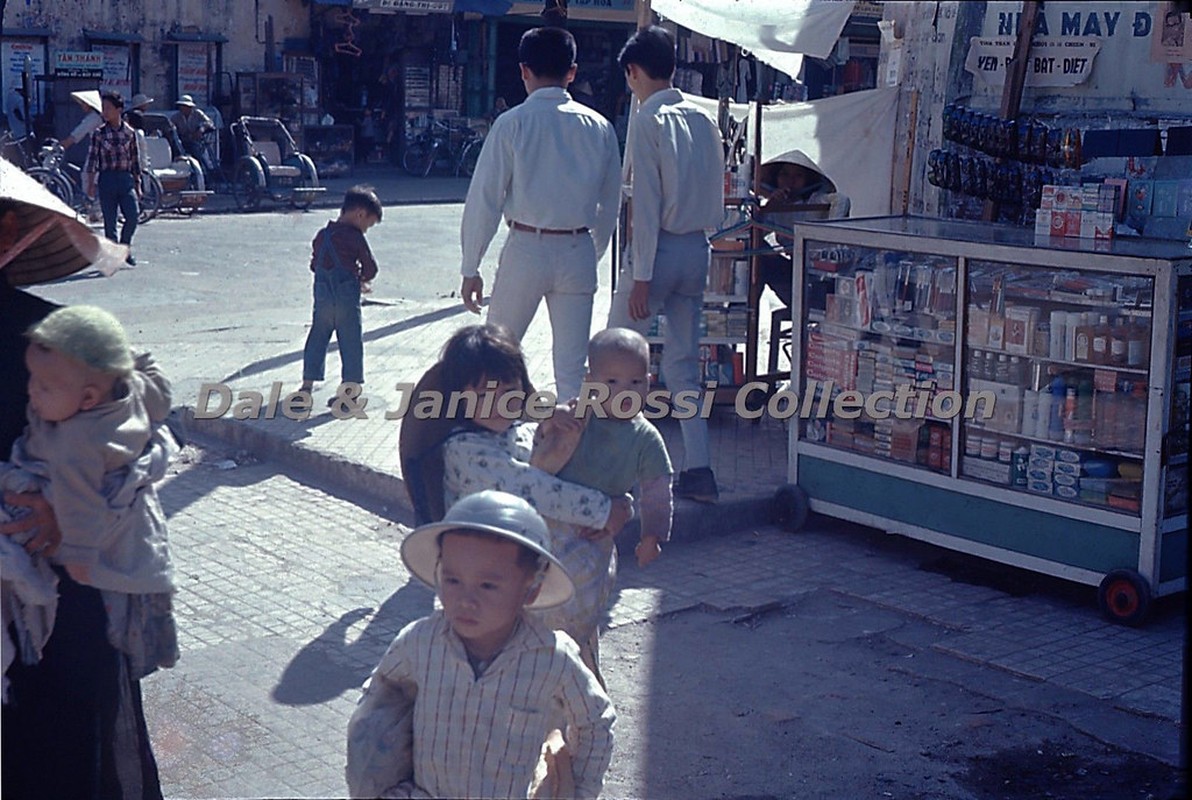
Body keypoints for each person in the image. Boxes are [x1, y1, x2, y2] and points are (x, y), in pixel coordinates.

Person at [0, 300, 172, 800]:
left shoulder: (54, 334)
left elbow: (155, 423)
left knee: (69, 747)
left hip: (66, 603)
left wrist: (68, 505)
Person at [346, 490, 615, 799]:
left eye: (487, 585)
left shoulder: (552, 658)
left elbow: (596, 722)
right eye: (452, 580)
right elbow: (378, 697)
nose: (466, 600)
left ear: (530, 590)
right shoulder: (419, 642)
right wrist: (378, 778)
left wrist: (577, 791)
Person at [431, 324, 633, 678]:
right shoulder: (465, 451)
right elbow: (535, 489)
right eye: (483, 394)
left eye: (508, 391)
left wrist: (560, 428)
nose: (498, 404)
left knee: (572, 655)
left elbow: (549, 460)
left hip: (530, 571)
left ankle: (582, 696)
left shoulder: (515, 433)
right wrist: (605, 509)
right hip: (491, 576)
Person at [459, 26, 621, 402]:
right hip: (577, 248)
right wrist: (588, 250)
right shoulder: (600, 128)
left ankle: (495, 439)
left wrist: (471, 266)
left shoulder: (512, 123)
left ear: (523, 71)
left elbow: (485, 197)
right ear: (573, 72)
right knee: (571, 368)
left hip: (526, 247)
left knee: (496, 353)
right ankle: (572, 450)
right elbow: (609, 205)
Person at [608, 25, 726, 504]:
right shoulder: (705, 122)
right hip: (697, 250)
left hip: (656, 255)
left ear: (634, 72)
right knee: (682, 368)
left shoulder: (646, 122)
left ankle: (616, 473)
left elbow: (647, 207)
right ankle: (700, 471)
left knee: (612, 361)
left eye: (628, 78)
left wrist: (640, 277)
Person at [532, 327, 672, 683]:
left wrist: (652, 535)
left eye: (635, 383)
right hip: (548, 526)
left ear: (649, 382)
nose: (624, 393)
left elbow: (656, 491)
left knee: (578, 612)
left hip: (594, 538)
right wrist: (551, 421)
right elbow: (538, 457)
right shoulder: (578, 416)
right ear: (590, 380)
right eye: (612, 382)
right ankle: (544, 673)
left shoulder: (645, 438)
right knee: (534, 606)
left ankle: (578, 680)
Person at [300, 185, 383, 404]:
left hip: (324, 301)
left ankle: (306, 386)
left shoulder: (321, 236)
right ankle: (350, 393)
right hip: (346, 302)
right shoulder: (354, 238)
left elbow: (314, 265)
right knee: (351, 342)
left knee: (317, 338)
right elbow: (371, 268)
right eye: (369, 224)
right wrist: (361, 279)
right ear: (360, 214)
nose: (366, 229)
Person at [756, 151, 850, 308]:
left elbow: (842, 201)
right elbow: (756, 233)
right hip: (793, 274)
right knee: (759, 255)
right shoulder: (776, 207)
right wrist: (770, 206)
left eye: (798, 176)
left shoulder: (815, 200)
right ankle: (748, 313)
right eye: (784, 175)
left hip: (819, 278)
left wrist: (826, 239)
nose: (790, 181)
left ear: (807, 180)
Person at [83, 91, 142, 266]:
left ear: (119, 110)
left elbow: (134, 159)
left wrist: (138, 184)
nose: (105, 112)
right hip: (107, 179)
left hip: (125, 179)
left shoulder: (130, 133)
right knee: (110, 222)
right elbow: (93, 160)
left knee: (133, 216)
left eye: (108, 108)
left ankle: (124, 248)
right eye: (103, 108)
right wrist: (91, 185)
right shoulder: (98, 134)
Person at [172, 94, 215, 171]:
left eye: (185, 106)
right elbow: (170, 126)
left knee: (196, 151)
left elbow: (210, 122)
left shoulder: (198, 113)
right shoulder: (176, 117)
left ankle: (203, 171)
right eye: (182, 106)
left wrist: (202, 128)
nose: (183, 108)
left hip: (196, 141)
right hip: (182, 142)